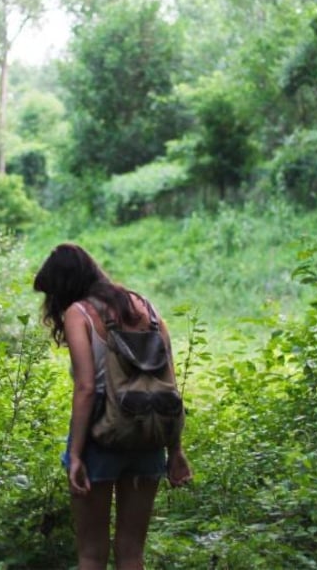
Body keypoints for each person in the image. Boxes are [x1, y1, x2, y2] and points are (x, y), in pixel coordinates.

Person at [33, 243, 192, 570]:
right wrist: (174, 449)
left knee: (92, 553)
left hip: (101, 434)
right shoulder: (147, 309)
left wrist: (76, 455)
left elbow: (87, 388)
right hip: (148, 433)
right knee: (132, 553)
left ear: (64, 286)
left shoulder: (80, 313)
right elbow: (168, 388)